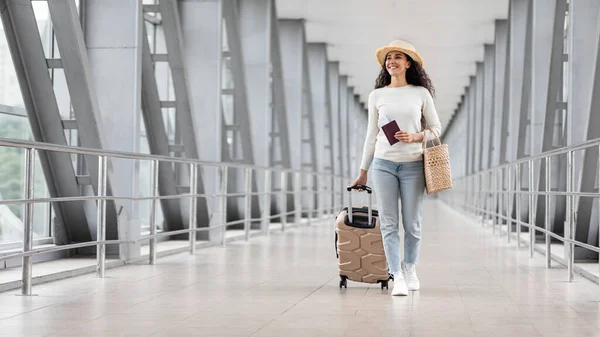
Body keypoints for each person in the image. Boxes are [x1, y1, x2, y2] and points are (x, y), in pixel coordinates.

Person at [350, 40, 441, 296]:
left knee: (412, 223)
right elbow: (371, 135)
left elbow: (436, 128)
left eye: (398, 57)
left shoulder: (420, 93)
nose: (392, 61)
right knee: (389, 223)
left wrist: (416, 137)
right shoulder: (377, 95)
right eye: (388, 58)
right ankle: (396, 275)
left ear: (408, 63)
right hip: (383, 165)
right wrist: (363, 170)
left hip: (413, 165)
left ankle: (410, 268)